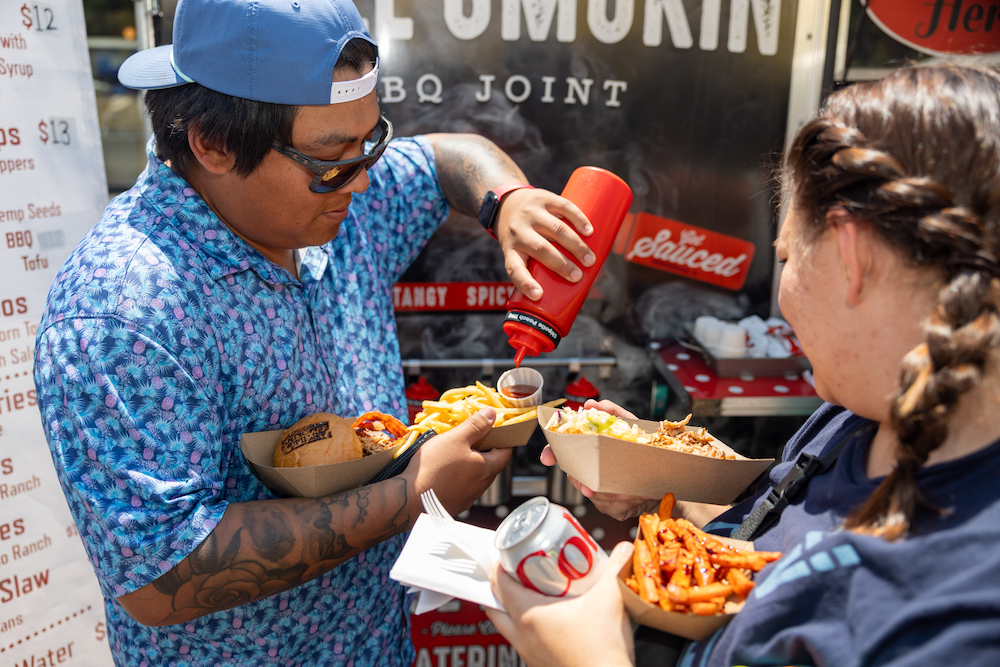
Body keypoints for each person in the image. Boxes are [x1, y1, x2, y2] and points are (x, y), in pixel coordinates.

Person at [32, 1, 601, 665]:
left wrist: (507, 200)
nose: (362, 179)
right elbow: (160, 575)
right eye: (332, 157)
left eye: (370, 142)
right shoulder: (124, 311)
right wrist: (409, 495)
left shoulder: (335, 199)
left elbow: (450, 157)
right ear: (212, 142)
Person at [486, 62, 1000, 666]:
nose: (781, 298)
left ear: (851, 255)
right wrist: (655, 483)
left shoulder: (964, 618)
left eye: (785, 257)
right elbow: (775, 532)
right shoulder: (860, 413)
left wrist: (586, 657)